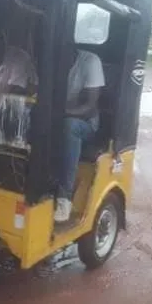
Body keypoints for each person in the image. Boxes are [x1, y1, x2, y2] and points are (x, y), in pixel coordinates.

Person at [54, 46, 105, 224]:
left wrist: (60, 113)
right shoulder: (51, 61)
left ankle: (65, 198)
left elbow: (89, 107)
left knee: (69, 126)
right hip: (56, 120)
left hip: (86, 124)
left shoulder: (90, 62)